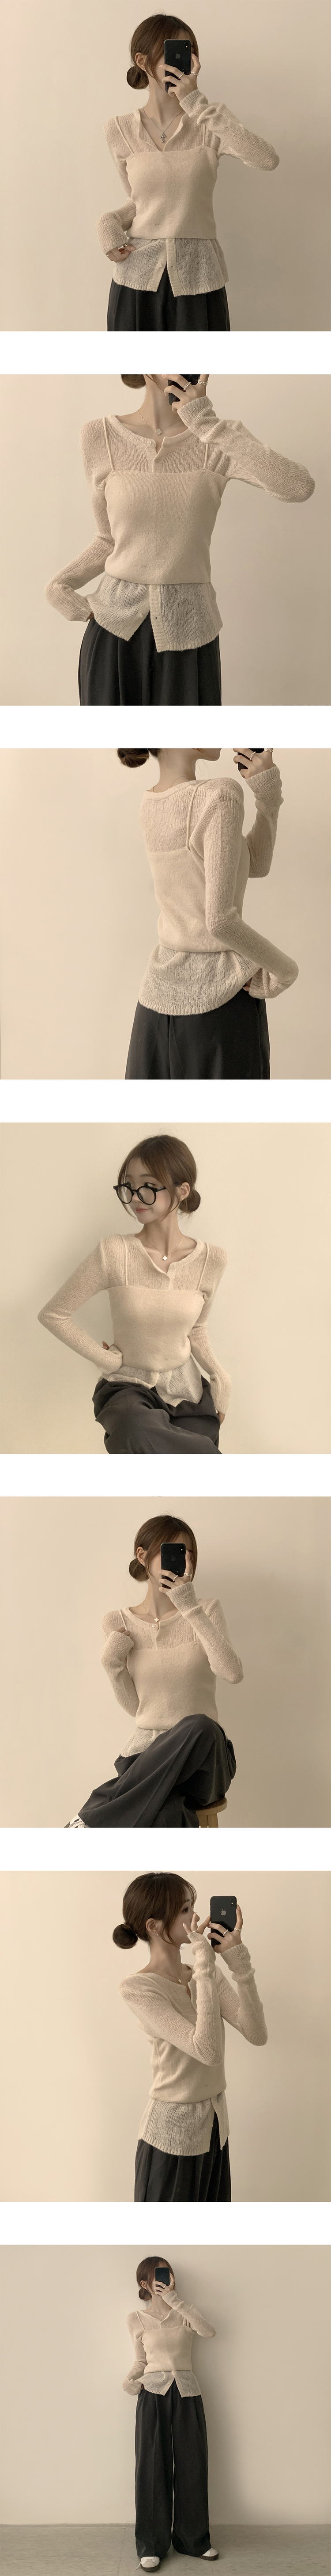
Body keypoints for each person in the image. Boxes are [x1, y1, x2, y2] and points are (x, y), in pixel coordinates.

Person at [45, 375, 314, 708]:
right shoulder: (99, 436)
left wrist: (205, 423)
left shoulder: (218, 436)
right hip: (113, 635)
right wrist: (59, 587)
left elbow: (298, 487)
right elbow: (108, 539)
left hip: (191, 636)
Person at [38, 1132, 230, 1456]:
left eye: (148, 1185)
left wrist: (220, 1376)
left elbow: (196, 1327)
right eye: (129, 1185)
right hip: (128, 1389)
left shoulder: (212, 1260)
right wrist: (105, 1359)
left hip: (187, 1392)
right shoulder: (115, 1252)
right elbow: (54, 1315)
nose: (135, 1197)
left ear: (182, 1191)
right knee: (133, 1429)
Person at [118, 745, 298, 1080]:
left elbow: (254, 864)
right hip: (220, 1008)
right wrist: (285, 971)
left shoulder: (151, 802)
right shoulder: (220, 795)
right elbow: (220, 921)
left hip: (154, 1008)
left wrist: (267, 800)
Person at [100, 10, 279, 336]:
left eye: (189, 51)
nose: (182, 61)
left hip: (199, 281)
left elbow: (267, 159)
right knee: (141, 370)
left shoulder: (210, 121)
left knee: (198, 369)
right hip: (136, 281)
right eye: (172, 51)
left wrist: (195, 103)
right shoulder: (119, 130)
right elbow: (140, 203)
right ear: (143, 61)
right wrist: (109, 223)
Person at [67, 1508, 242, 1828]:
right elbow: (139, 1709)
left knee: (201, 1726)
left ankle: (93, 1817)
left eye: (189, 1552)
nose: (183, 1559)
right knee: (165, 1814)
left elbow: (233, 1673)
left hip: (206, 1762)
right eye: (173, 1550)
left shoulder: (205, 1610)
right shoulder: (117, 1622)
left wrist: (188, 1606)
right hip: (145, 1760)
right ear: (143, 1556)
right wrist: (111, 1665)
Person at [113, 1872, 267, 2201]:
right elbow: (207, 2051)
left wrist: (238, 1963)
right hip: (171, 2138)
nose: (196, 1917)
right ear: (154, 1926)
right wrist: (204, 1965)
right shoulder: (138, 1988)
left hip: (216, 2130)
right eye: (185, 1910)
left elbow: (257, 2034)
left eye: (192, 1906)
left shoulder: (203, 1974)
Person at [124, 2252, 218, 2566]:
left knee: (193, 2465)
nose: (167, 2278)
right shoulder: (136, 2318)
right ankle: (151, 2545)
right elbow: (140, 2360)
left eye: (169, 2272)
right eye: (159, 2274)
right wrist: (128, 2381)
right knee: (152, 2467)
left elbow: (209, 2332)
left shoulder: (185, 2312)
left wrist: (176, 2301)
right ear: (145, 2283)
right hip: (152, 2393)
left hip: (188, 2392)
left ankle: (193, 2540)